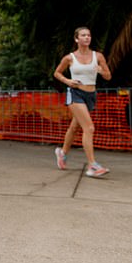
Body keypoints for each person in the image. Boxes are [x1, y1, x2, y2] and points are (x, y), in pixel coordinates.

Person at [53, 26, 112, 177]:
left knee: (74, 127)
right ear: (76, 39)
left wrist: (101, 71)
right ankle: (92, 166)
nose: (87, 37)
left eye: (89, 35)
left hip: (91, 95)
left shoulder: (98, 56)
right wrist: (68, 81)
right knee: (89, 128)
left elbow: (108, 76)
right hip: (75, 93)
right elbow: (57, 73)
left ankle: (62, 153)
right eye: (83, 35)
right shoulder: (69, 58)